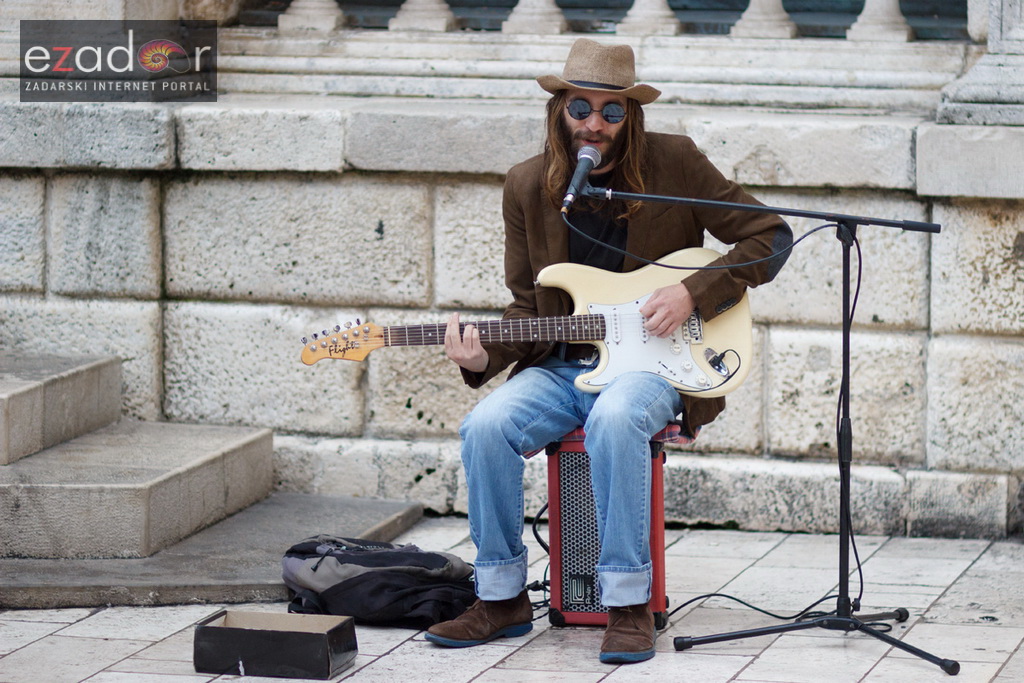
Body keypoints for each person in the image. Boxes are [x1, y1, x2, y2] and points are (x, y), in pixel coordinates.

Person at [426, 38, 793, 664]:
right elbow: (526, 308)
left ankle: (626, 605)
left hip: (654, 363)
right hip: (564, 366)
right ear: (559, 110)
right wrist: (480, 357)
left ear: (631, 116)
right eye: (580, 108)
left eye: (611, 111)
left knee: (617, 417)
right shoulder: (525, 185)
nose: (594, 123)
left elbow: (771, 236)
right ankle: (502, 596)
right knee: (484, 425)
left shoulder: (675, 164)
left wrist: (692, 292)